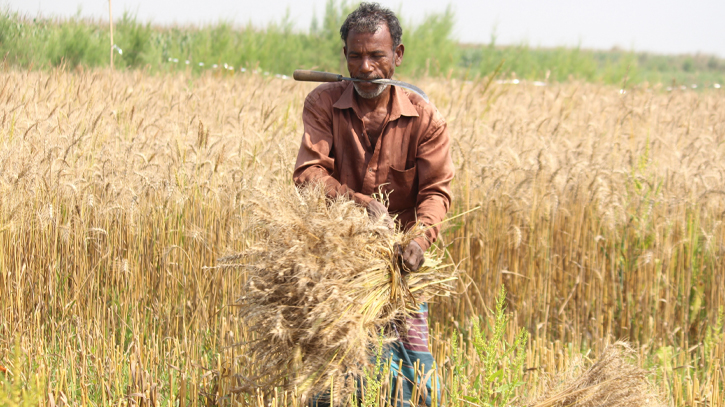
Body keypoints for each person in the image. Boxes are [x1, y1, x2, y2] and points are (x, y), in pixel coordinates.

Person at [293, 2, 454, 406]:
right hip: (337, 258)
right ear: (344, 57)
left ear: (397, 56)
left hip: (399, 265)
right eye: (355, 56)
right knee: (332, 380)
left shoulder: (424, 118)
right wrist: (358, 203)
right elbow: (308, 173)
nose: (365, 67)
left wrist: (417, 241)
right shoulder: (323, 104)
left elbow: (436, 192)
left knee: (411, 380)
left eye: (376, 56)